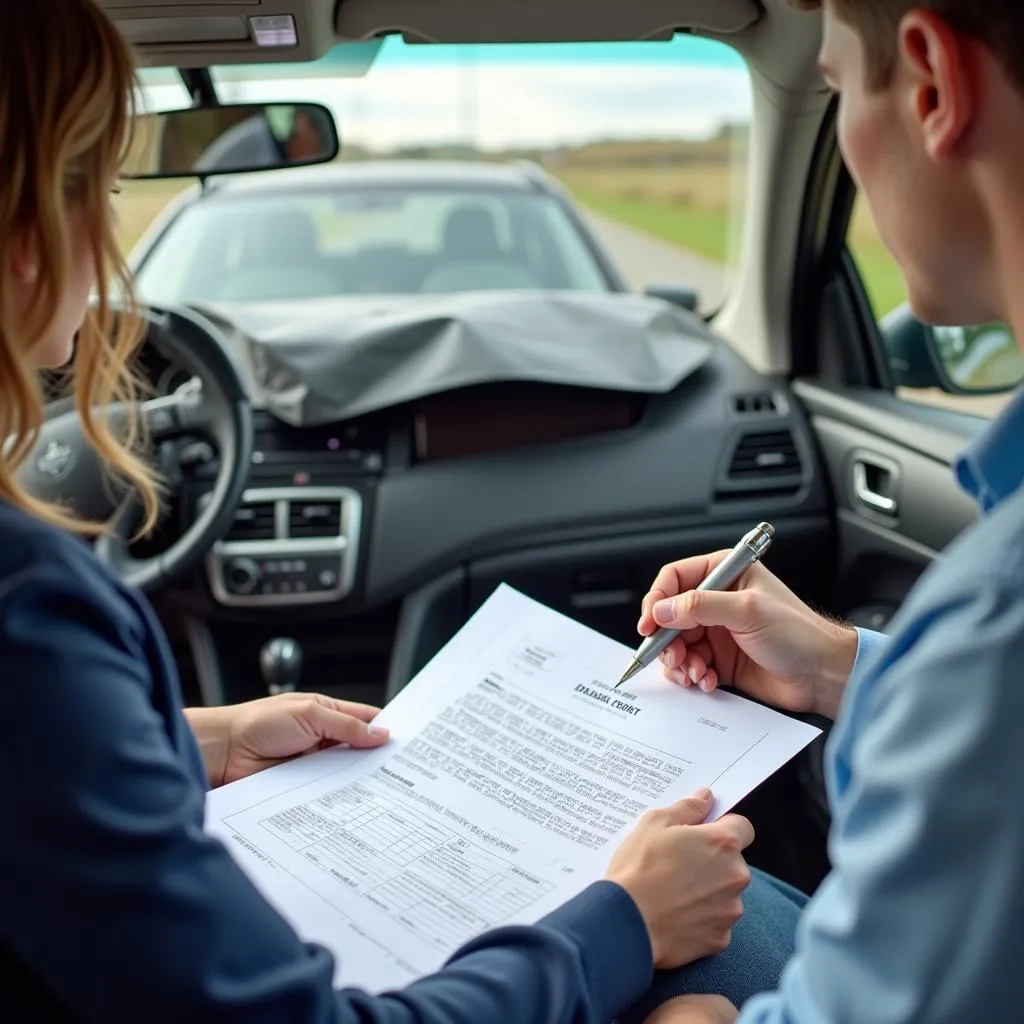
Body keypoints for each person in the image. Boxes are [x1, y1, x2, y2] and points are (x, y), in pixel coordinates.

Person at [0, 5, 789, 1022]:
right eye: (105, 192)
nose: (109, 238)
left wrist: (210, 741)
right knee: (718, 989)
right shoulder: (28, 608)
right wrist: (620, 923)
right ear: (29, 229)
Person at [634, 1, 1024, 1021]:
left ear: (933, 82)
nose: (847, 137)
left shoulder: (994, 625)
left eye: (842, 85)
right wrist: (837, 665)